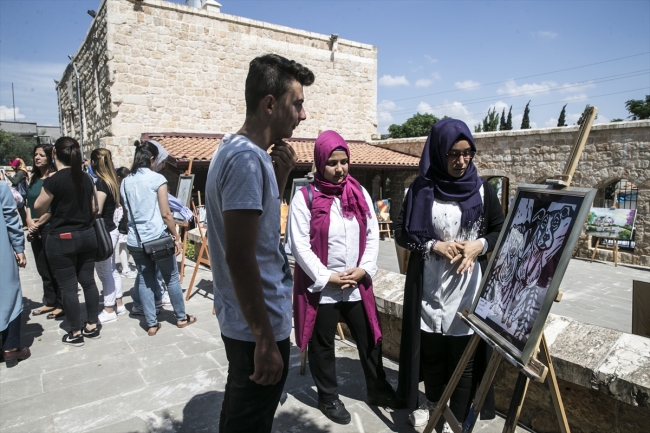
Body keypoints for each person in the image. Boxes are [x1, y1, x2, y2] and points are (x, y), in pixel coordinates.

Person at [205, 53, 313, 433]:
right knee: (249, 421)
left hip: (249, 321)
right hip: (256, 326)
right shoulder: (247, 162)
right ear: (271, 103)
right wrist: (265, 340)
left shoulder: (238, 152)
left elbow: (258, 230)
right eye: (297, 103)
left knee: (240, 413)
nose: (303, 115)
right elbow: (240, 257)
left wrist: (281, 174)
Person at [395, 118, 505, 430]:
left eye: (468, 153)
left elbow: (501, 230)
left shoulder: (483, 191)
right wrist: (433, 245)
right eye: (453, 154)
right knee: (431, 354)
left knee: (463, 359)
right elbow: (403, 234)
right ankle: (432, 405)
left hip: (467, 289)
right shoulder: (420, 189)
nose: (461, 161)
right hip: (429, 286)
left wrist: (478, 246)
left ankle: (455, 418)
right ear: (439, 151)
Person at [289, 130, 405, 425]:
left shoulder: (359, 193)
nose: (340, 169)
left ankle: (378, 389)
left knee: (370, 340)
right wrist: (327, 277)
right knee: (322, 343)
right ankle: (328, 396)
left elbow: (372, 234)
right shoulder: (305, 198)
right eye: (332, 163)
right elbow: (299, 244)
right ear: (319, 163)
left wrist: (365, 268)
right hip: (323, 288)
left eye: (344, 162)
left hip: (355, 285)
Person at [121, 141, 195, 336]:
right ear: (152, 159)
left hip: (136, 240)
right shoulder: (157, 179)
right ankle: (180, 317)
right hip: (157, 238)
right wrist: (176, 236)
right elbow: (166, 214)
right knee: (171, 278)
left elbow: (128, 215)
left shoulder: (126, 181)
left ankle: (152, 324)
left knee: (145, 280)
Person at [34, 137, 102, 346]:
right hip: (87, 235)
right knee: (89, 282)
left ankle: (75, 332)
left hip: (62, 239)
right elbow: (94, 208)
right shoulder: (86, 178)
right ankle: (92, 324)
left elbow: (39, 207)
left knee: (69, 288)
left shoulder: (54, 180)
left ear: (54, 152)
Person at [25, 143, 62, 319]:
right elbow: (28, 204)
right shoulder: (32, 178)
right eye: (35, 155)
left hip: (49, 227)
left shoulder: (54, 178)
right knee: (42, 268)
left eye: (41, 155)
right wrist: (28, 220)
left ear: (50, 157)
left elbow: (53, 207)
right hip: (34, 227)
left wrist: (38, 223)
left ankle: (61, 303)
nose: (37, 158)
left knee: (54, 267)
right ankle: (50, 301)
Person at [92, 149, 126, 324]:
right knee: (111, 270)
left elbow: (95, 209)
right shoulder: (112, 182)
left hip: (104, 231)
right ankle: (118, 304)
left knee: (104, 272)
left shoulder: (102, 183)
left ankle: (109, 309)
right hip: (111, 230)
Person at [0, 181, 30, 367]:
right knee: (9, 293)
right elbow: (11, 219)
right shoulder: (2, 188)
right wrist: (19, 248)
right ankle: (11, 347)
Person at [6, 158, 29, 227]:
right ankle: (25, 223)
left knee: (21, 209)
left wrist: (8, 176)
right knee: (21, 209)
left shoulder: (20, 172)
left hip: (20, 193)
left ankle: (25, 224)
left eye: (13, 166)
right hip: (20, 193)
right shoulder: (20, 172)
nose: (12, 167)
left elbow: (15, 182)